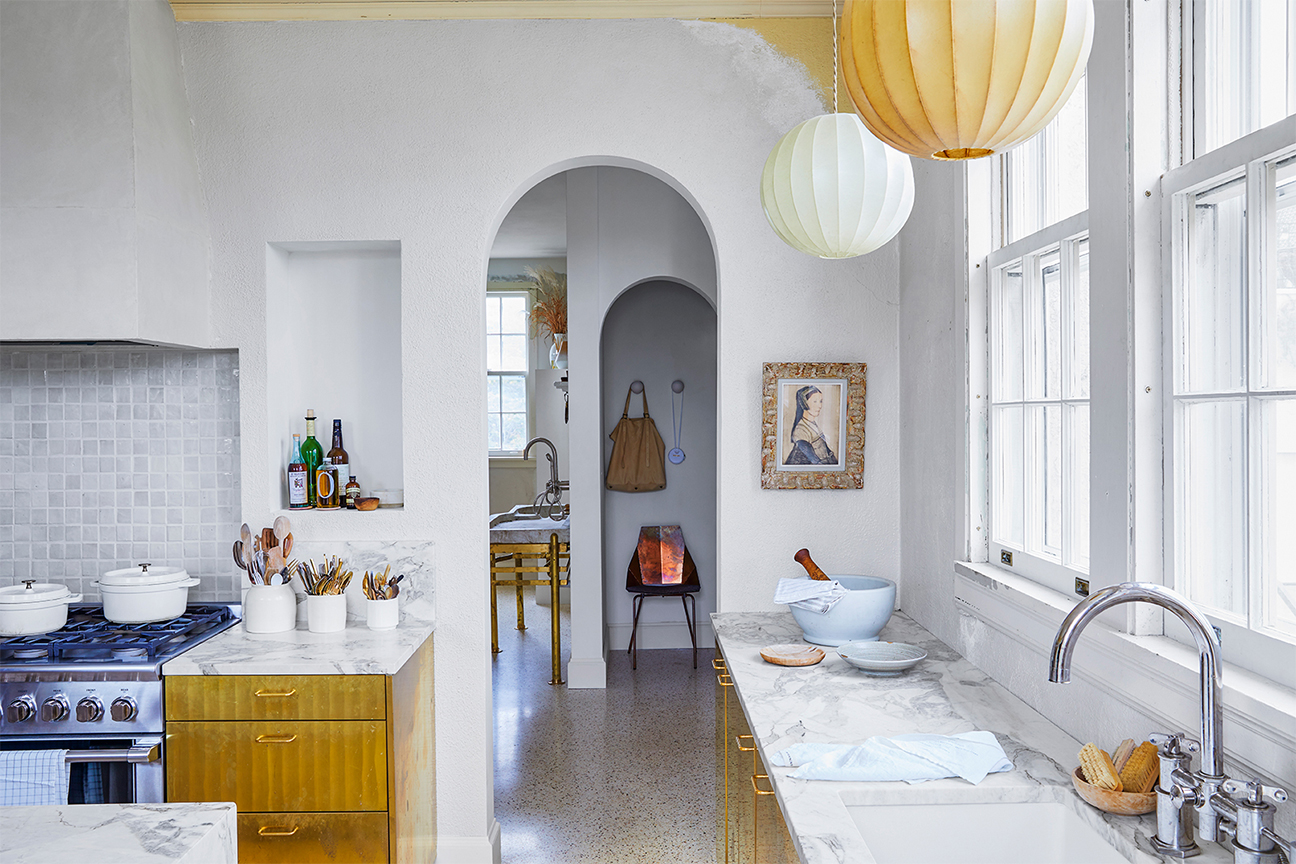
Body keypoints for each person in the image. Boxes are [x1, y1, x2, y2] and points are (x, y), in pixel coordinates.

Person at [785, 385, 838, 465]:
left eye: (820, 401)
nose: (820, 406)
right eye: (815, 401)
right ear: (804, 403)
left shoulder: (812, 425)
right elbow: (815, 461)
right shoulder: (801, 431)